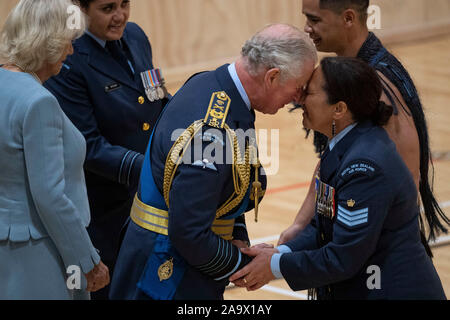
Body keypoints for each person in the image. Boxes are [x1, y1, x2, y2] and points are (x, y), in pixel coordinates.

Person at [109, 23, 317, 300]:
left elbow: (224, 191)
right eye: (299, 87)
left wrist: (239, 237)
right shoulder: (211, 133)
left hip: (177, 260)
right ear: (272, 77)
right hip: (164, 275)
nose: (299, 99)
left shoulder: (213, 85)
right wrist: (247, 265)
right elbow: (188, 234)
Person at [230, 57, 446, 300]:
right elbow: (325, 225)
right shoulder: (345, 145)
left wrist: (275, 266)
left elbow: (343, 257)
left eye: (308, 93)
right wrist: (281, 252)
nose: (299, 100)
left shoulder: (365, 167)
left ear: (339, 109)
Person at [279, 0, 449, 250]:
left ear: (348, 18)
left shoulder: (378, 86)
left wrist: (368, 245)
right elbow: (332, 159)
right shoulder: (348, 73)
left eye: (314, 20)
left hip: (383, 246)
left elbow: (407, 175)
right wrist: (301, 225)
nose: (306, 28)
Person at [44, 0, 169, 299]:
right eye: (108, 7)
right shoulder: (68, 57)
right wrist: (154, 170)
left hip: (148, 199)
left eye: (125, 4)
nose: (120, 16)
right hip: (103, 210)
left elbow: (155, 97)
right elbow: (88, 145)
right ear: (81, 8)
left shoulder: (135, 35)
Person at [0, 0, 109, 300]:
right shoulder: (39, 102)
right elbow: (49, 195)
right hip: (43, 252)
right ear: (45, 42)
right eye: (67, 42)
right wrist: (89, 261)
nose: (71, 51)